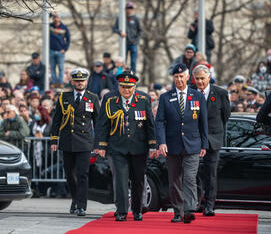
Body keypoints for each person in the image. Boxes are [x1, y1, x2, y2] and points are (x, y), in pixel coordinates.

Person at [97, 70, 156, 221]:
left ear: (134, 86)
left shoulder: (144, 99)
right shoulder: (109, 99)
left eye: (129, 87)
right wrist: (101, 146)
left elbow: (150, 124)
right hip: (117, 147)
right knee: (121, 179)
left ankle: (137, 210)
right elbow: (102, 123)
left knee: (138, 180)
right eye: (123, 87)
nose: (126, 90)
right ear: (118, 86)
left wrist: (153, 145)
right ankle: (122, 210)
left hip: (139, 147)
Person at [155, 63, 208, 223]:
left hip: (193, 144)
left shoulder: (197, 96)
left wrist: (204, 144)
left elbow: (203, 122)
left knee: (190, 178)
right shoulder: (165, 97)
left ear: (187, 77)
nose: (179, 79)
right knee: (175, 180)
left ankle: (190, 209)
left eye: (181, 76)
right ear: (173, 78)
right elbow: (160, 122)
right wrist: (161, 142)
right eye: (176, 77)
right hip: (172, 146)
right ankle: (178, 211)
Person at [50, 68, 100, 216]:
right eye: (77, 81)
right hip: (67, 141)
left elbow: (98, 122)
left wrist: (98, 144)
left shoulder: (93, 98)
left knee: (83, 174)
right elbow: (56, 120)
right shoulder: (63, 97)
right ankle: (75, 199)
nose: (79, 83)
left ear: (86, 82)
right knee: (69, 175)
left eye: (82, 81)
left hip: (85, 142)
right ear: (72, 82)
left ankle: (81, 205)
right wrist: (54, 139)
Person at [192, 64, 230, 216]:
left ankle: (209, 205)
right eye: (197, 79)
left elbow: (226, 116)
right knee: (193, 173)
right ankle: (196, 202)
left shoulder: (220, 93)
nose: (200, 81)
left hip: (213, 140)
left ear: (208, 77)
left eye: (202, 78)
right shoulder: (191, 92)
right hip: (194, 140)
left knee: (210, 174)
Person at [112, 1, 142, 73]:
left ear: (133, 9)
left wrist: (136, 41)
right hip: (124, 43)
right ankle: (123, 76)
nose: (129, 9)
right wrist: (120, 32)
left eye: (131, 8)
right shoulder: (121, 18)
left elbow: (140, 31)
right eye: (128, 8)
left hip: (133, 43)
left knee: (133, 62)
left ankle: (133, 77)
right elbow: (114, 29)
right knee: (123, 61)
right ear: (125, 9)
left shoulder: (135, 19)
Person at [50, 12, 70, 88]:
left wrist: (65, 49)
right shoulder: (50, 26)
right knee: (52, 68)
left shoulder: (64, 27)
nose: (55, 18)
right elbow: (44, 23)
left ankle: (61, 82)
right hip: (51, 50)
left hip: (60, 51)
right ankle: (54, 82)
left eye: (57, 17)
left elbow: (68, 39)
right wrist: (49, 15)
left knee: (61, 68)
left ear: (60, 18)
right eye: (54, 17)